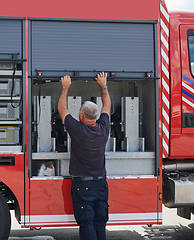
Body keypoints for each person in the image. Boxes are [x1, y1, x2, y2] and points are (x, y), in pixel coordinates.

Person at [57, 72, 111, 240]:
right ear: (96, 117)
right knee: (100, 222)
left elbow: (62, 109)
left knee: (86, 222)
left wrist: (65, 88)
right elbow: (107, 106)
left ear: (81, 115)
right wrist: (103, 86)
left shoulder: (77, 130)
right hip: (101, 184)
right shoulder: (103, 128)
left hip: (82, 186)